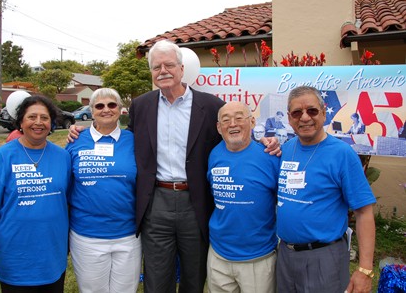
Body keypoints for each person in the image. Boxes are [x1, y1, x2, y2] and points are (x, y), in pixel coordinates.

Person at [68, 39, 280, 293]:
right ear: (152, 73)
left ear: (181, 69)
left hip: (196, 200)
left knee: (194, 274)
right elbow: (124, 140)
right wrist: (83, 133)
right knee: (157, 277)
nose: (163, 71)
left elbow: (232, 131)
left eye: (169, 65)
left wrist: (263, 139)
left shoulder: (210, 105)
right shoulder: (142, 105)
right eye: (157, 67)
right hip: (156, 200)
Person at [0, 95, 72, 292]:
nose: (38, 122)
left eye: (44, 117)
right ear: (21, 122)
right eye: (32, 117)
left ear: (51, 123)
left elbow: (67, 203)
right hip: (15, 261)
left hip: (52, 259)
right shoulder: (2, 157)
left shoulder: (63, 157)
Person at [276, 86, 376, 293]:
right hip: (286, 255)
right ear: (289, 117)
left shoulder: (342, 154)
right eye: (297, 112)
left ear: (323, 113)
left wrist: (365, 269)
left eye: (311, 111)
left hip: (323, 257)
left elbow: (364, 212)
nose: (305, 118)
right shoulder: (284, 149)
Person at [65, 88, 141, 292]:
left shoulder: (134, 140)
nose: (106, 109)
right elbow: (65, 184)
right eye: (99, 106)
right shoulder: (75, 141)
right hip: (87, 236)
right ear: (91, 111)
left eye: (112, 104)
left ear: (120, 109)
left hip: (128, 235)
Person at [207, 101, 279, 292]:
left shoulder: (270, 156)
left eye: (239, 118)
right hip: (218, 255)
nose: (233, 124)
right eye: (226, 120)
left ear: (252, 122)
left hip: (258, 258)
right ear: (218, 127)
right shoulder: (213, 155)